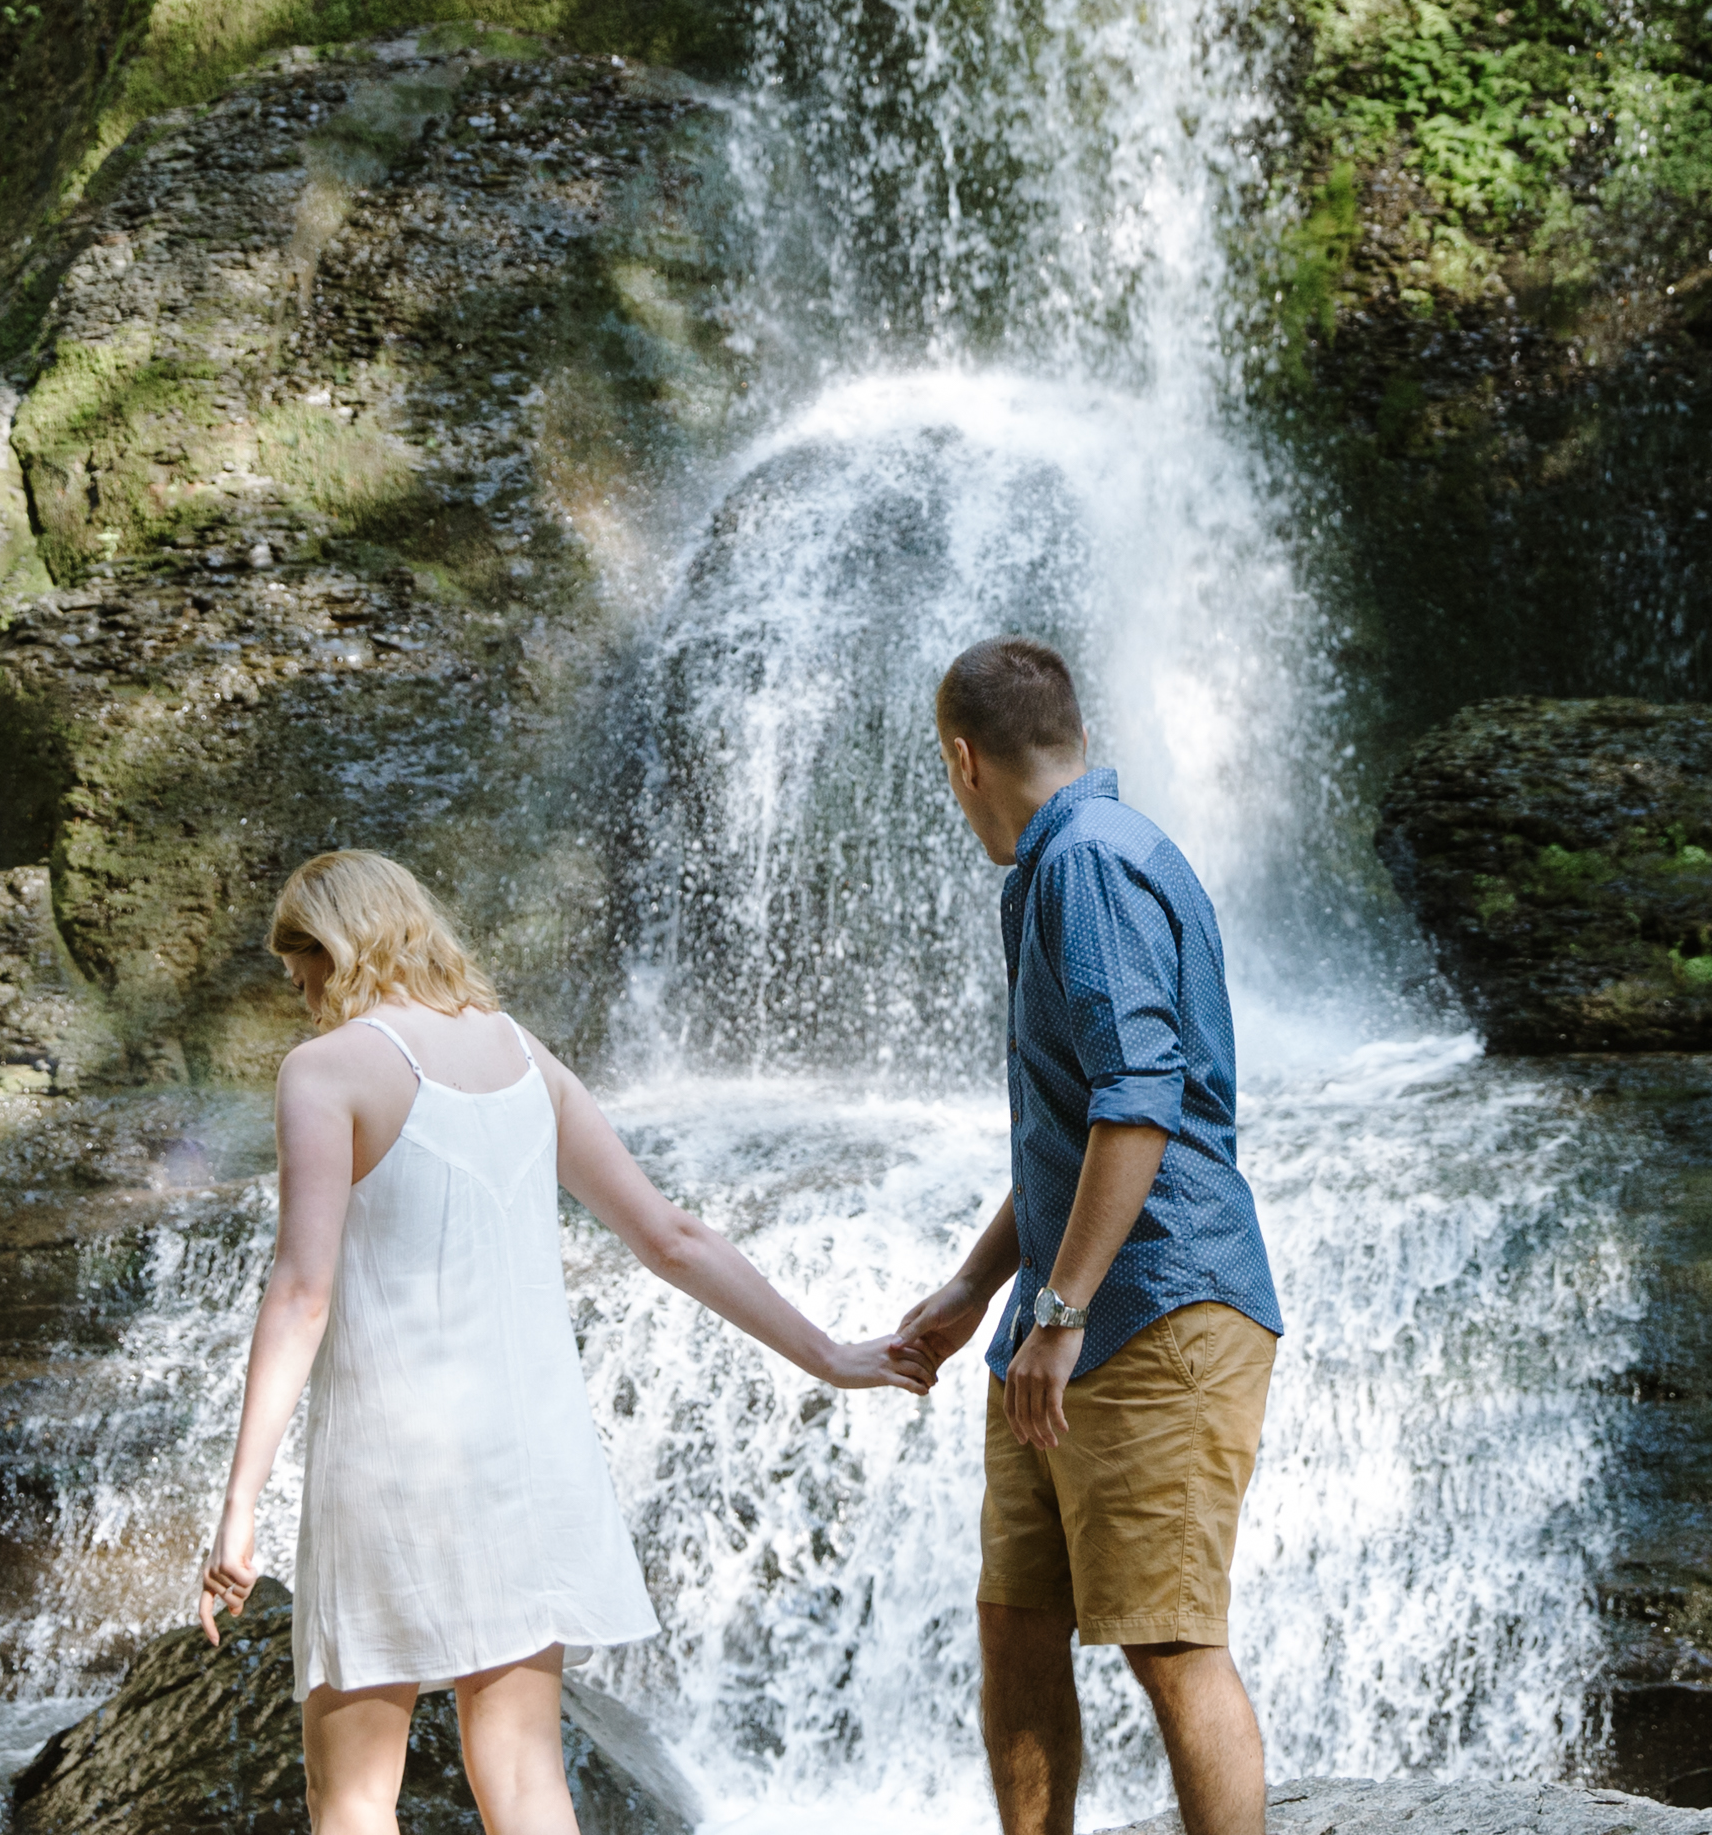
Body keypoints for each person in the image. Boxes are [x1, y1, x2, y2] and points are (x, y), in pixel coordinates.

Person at [202, 848, 906, 1835]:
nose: (305, 999)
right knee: (527, 1779)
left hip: (394, 1467)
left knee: (355, 1794)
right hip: (530, 1468)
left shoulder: (325, 1069)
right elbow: (672, 1236)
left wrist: (239, 1506)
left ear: (335, 948)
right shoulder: (519, 1052)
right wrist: (829, 1353)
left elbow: (301, 1292)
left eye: (302, 973)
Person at [890, 637, 1286, 1835]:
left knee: (1171, 1641)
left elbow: (1138, 1101)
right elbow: (1074, 1129)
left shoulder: (1091, 866)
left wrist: (1057, 1312)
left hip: (1153, 1308)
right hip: (1063, 1320)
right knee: (1016, 1621)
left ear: (962, 759)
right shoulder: (1078, 856)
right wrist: (977, 1288)